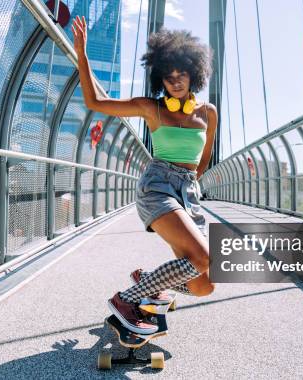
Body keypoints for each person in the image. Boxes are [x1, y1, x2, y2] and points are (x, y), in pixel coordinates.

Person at [72, 16, 217, 334]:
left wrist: (190, 191)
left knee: (205, 285)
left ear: (195, 73)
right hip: (158, 187)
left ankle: (148, 281)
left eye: (182, 74)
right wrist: (82, 54)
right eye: (169, 77)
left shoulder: (208, 113)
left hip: (188, 192)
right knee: (203, 256)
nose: (176, 82)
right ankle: (126, 299)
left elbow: (202, 161)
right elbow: (94, 101)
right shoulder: (151, 108)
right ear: (160, 80)